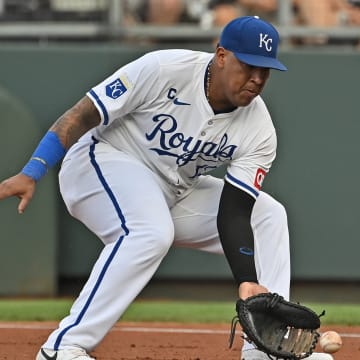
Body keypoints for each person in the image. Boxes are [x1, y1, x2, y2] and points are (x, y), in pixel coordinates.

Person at [0, 16, 333, 360]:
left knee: (269, 215)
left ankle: (266, 348)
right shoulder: (164, 69)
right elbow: (83, 114)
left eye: (265, 71)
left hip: (171, 188)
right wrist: (34, 169)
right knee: (151, 231)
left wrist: (247, 281)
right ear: (221, 55)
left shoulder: (259, 129)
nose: (257, 78)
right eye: (248, 66)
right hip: (98, 161)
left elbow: (235, 213)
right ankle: (61, 348)